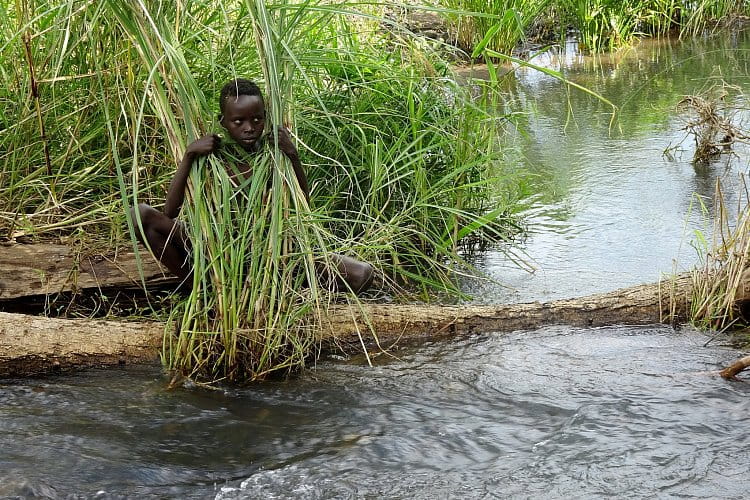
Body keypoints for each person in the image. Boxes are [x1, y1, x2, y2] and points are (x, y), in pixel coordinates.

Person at [131, 78, 373, 294]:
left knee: (362, 274)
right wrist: (189, 156)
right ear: (223, 122)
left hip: (270, 252)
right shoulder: (213, 156)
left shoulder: (273, 156)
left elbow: (302, 209)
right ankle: (203, 290)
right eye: (239, 121)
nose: (249, 128)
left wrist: (293, 156)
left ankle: (275, 286)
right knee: (139, 215)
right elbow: (170, 212)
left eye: (257, 119)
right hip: (213, 248)